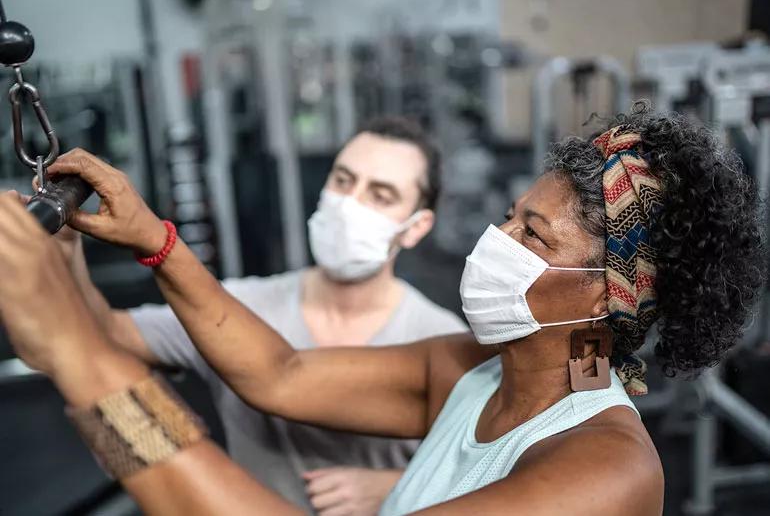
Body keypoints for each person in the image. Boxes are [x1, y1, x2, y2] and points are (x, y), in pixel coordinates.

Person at [0, 105, 764, 515]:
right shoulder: (470, 370)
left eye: (531, 234)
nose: (495, 241)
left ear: (606, 292)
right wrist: (155, 240)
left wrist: (81, 357)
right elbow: (280, 371)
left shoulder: (606, 470)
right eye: (508, 216)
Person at [59, 116, 468, 515]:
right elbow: (106, 330)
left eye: (381, 195)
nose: (351, 204)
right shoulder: (233, 310)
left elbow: (493, 471)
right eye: (343, 181)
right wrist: (64, 243)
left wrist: (402, 486)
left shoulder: (441, 341)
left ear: (416, 227)